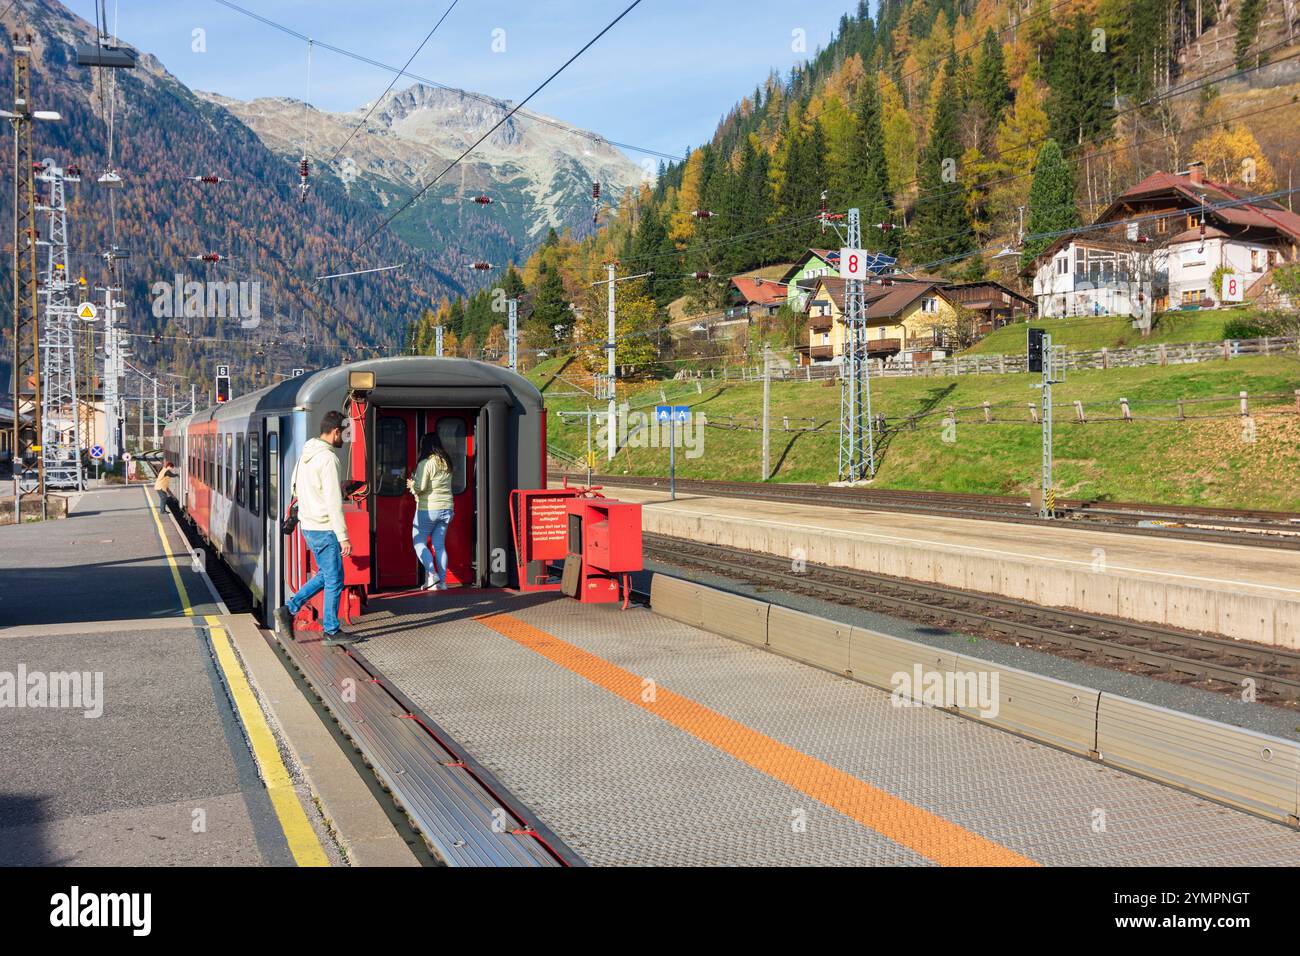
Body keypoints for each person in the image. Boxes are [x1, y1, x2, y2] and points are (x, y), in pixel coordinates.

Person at [275, 411, 356, 646]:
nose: (345, 439)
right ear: (336, 432)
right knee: (335, 579)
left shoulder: (306, 455)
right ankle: (331, 630)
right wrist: (343, 537)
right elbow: (333, 502)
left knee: (326, 575)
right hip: (324, 527)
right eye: (345, 434)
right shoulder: (328, 459)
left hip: (309, 526)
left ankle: (289, 610)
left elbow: (294, 487)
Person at [407, 432, 454, 591]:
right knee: (439, 545)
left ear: (424, 446)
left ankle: (432, 574)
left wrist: (411, 485)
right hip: (447, 508)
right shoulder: (446, 462)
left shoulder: (426, 464)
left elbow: (421, 487)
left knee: (418, 542)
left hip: (429, 509)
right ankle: (442, 582)